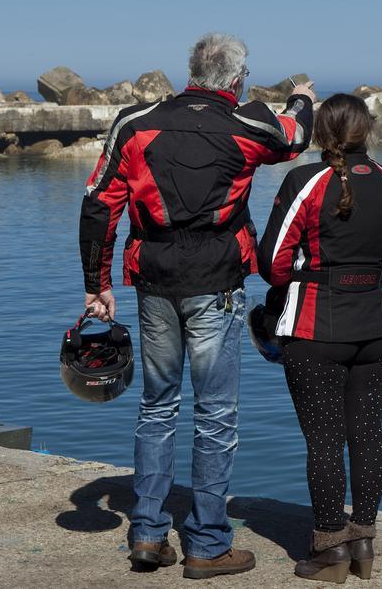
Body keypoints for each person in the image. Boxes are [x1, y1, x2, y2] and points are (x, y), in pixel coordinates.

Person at [79, 32, 315, 579]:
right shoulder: (248, 123)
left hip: (153, 281)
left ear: (190, 72)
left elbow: (99, 203)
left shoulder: (133, 123)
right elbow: (296, 136)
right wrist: (301, 95)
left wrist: (96, 283)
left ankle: (147, 534)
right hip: (216, 282)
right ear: (236, 79)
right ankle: (207, 542)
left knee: (157, 406)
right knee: (215, 413)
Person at [257, 93, 382, 583]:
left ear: (321, 133)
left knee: (323, 440)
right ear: (367, 130)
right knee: (367, 433)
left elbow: (273, 264)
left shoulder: (304, 181)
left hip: (315, 327)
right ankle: (363, 538)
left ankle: (329, 549)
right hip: (378, 324)